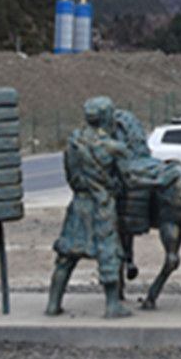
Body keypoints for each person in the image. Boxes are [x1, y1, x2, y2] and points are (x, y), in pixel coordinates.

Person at [45, 96, 132, 319]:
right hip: (102, 205)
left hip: (79, 204)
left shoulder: (73, 144)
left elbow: (70, 176)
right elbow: (127, 179)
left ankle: (53, 304)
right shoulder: (114, 148)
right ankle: (112, 305)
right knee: (108, 253)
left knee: (66, 256)